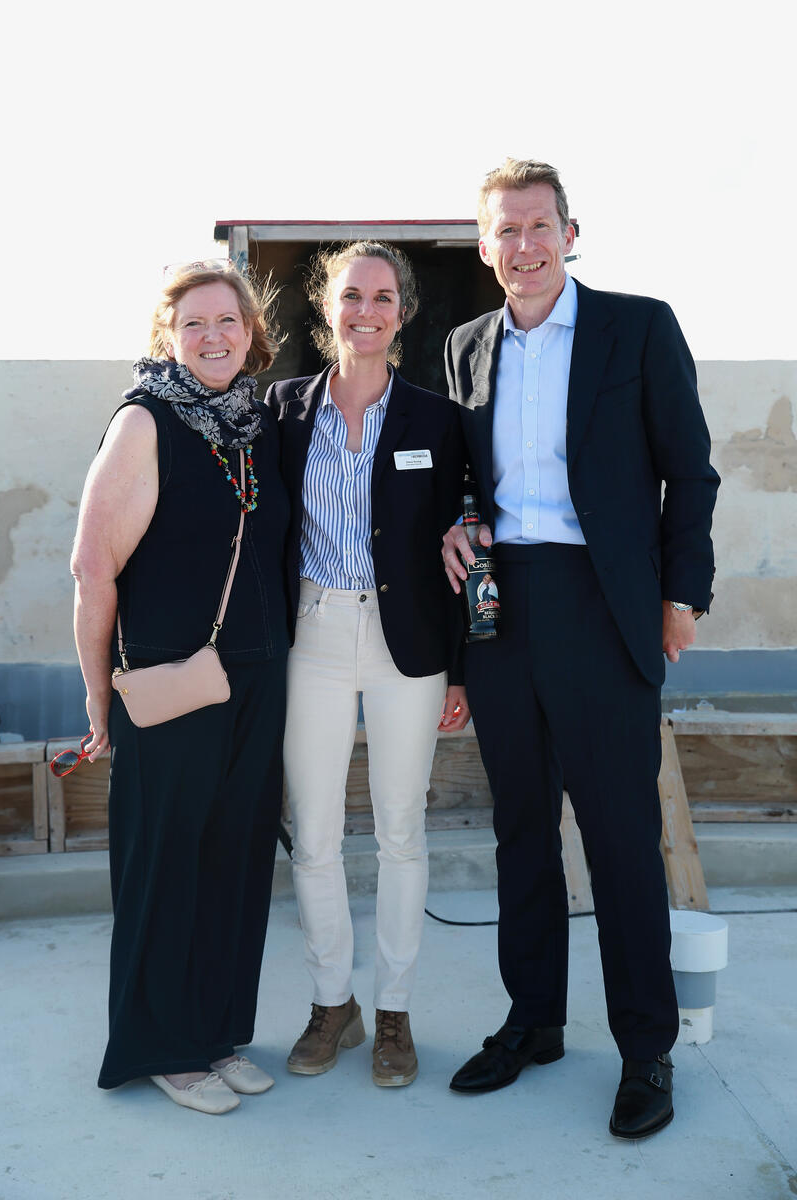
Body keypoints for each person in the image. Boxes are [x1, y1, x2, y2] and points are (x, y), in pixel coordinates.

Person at [441, 159, 719, 1138]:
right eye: (504, 230)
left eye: (538, 225)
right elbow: (464, 478)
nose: (523, 245)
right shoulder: (465, 346)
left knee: (618, 837)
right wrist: (457, 523)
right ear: (484, 246)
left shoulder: (637, 328)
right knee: (520, 826)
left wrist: (680, 595)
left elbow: (689, 472)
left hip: (603, 606)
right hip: (501, 612)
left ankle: (645, 1049)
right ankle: (534, 1020)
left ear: (569, 232)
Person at [70, 260, 290, 1114]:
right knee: (167, 865)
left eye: (227, 320)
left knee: (235, 861)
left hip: (254, 678)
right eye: (193, 322)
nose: (212, 336)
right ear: (168, 337)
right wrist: (98, 694)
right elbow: (92, 568)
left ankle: (216, 1034)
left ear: (251, 331)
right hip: (169, 682)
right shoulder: (146, 420)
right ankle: (163, 1047)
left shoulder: (255, 425)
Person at [266, 241, 469, 1087]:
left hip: (406, 643)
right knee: (313, 832)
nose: (367, 311)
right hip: (312, 633)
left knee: (400, 830)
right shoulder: (282, 409)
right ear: (327, 307)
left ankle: (394, 1012)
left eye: (383, 297)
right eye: (352, 295)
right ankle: (331, 1005)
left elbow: (463, 536)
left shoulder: (437, 419)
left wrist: (460, 669)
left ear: (404, 312)